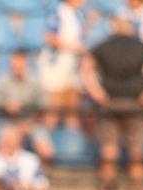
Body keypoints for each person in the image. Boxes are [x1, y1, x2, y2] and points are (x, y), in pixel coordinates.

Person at [82, 15, 143, 190]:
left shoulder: (103, 46)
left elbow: (85, 68)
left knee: (110, 148)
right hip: (135, 104)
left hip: (111, 104)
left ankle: (108, 187)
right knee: (136, 150)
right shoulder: (141, 46)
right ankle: (135, 188)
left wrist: (97, 92)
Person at [0, 50, 53, 162]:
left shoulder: (36, 82)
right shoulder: (2, 82)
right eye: (14, 65)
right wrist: (6, 107)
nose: (17, 67)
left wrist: (27, 124)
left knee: (46, 150)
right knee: (1, 148)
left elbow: (44, 107)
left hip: (32, 123)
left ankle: (40, 177)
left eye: (20, 64)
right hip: (8, 123)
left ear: (26, 63)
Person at [39, 0, 87, 128]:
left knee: (73, 109)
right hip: (56, 67)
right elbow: (49, 37)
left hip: (72, 67)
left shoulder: (77, 14)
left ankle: (73, 144)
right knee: (54, 110)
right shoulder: (58, 11)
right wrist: (72, 47)